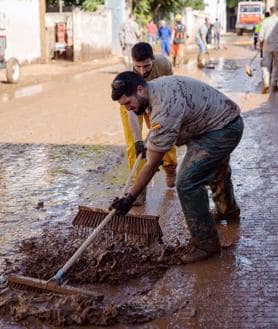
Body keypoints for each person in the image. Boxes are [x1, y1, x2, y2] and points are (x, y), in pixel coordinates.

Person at [110, 72, 244, 262]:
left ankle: (206, 245)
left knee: (187, 182)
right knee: (213, 167)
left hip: (222, 130)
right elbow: (159, 129)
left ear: (140, 89)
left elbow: (152, 165)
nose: (128, 108)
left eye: (128, 103)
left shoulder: (164, 107)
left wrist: (129, 198)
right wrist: (147, 142)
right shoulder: (153, 88)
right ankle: (227, 210)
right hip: (220, 120)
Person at [119, 42, 177, 205]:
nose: (142, 71)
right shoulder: (129, 77)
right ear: (133, 63)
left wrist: (158, 121)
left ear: (153, 60)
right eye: (138, 67)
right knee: (132, 145)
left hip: (157, 100)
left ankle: (170, 167)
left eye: (146, 66)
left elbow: (171, 90)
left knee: (165, 135)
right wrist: (138, 141)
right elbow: (131, 111)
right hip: (133, 103)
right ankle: (139, 189)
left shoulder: (163, 64)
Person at [259, 5, 278, 93]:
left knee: (266, 65)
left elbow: (261, 37)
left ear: (270, 12)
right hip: (277, 47)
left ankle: (266, 83)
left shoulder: (265, 21)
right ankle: (274, 85)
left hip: (267, 46)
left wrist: (261, 46)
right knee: (276, 66)